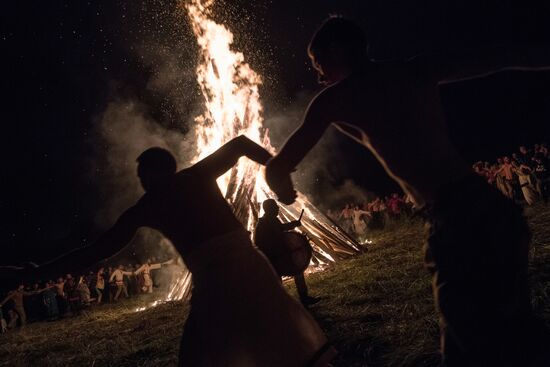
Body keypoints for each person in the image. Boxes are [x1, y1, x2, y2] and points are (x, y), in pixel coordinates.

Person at [265, 16, 550, 367]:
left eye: (317, 61)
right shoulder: (415, 70)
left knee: (464, 341)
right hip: (491, 207)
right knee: (518, 329)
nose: (317, 72)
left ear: (337, 50)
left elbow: (278, 166)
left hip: (454, 219)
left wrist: (283, 187)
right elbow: (499, 56)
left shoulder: (336, 99)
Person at [4, 136, 334, 366]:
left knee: (213, 351)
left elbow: (96, 251)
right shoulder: (189, 180)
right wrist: (277, 172)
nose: (141, 181)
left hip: (224, 279)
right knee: (262, 342)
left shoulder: (155, 201)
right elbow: (242, 145)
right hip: (245, 269)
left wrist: (35, 273)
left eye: (142, 174)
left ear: (156, 171)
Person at [254, 199, 319, 305]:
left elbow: (280, 228)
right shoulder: (263, 224)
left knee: (298, 271)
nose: (278, 208)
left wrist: (293, 224)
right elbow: (261, 243)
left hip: (282, 254)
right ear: (268, 209)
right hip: (273, 257)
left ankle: (304, 297)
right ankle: (279, 303)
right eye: (275, 206)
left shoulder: (272, 220)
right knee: (277, 280)